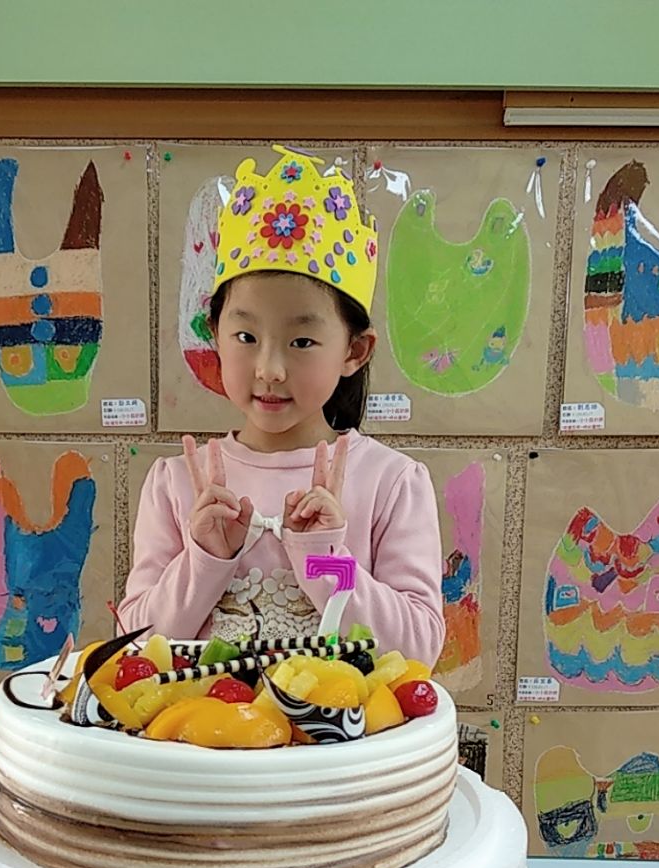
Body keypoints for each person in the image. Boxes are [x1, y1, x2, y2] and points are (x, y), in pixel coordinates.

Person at [120, 147, 444, 663]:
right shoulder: (177, 483)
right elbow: (134, 650)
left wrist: (325, 560)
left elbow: (418, 651)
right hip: (201, 719)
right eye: (246, 336)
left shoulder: (390, 482)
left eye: (302, 342)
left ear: (354, 351)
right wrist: (205, 559)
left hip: (339, 721)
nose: (269, 368)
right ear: (215, 336)